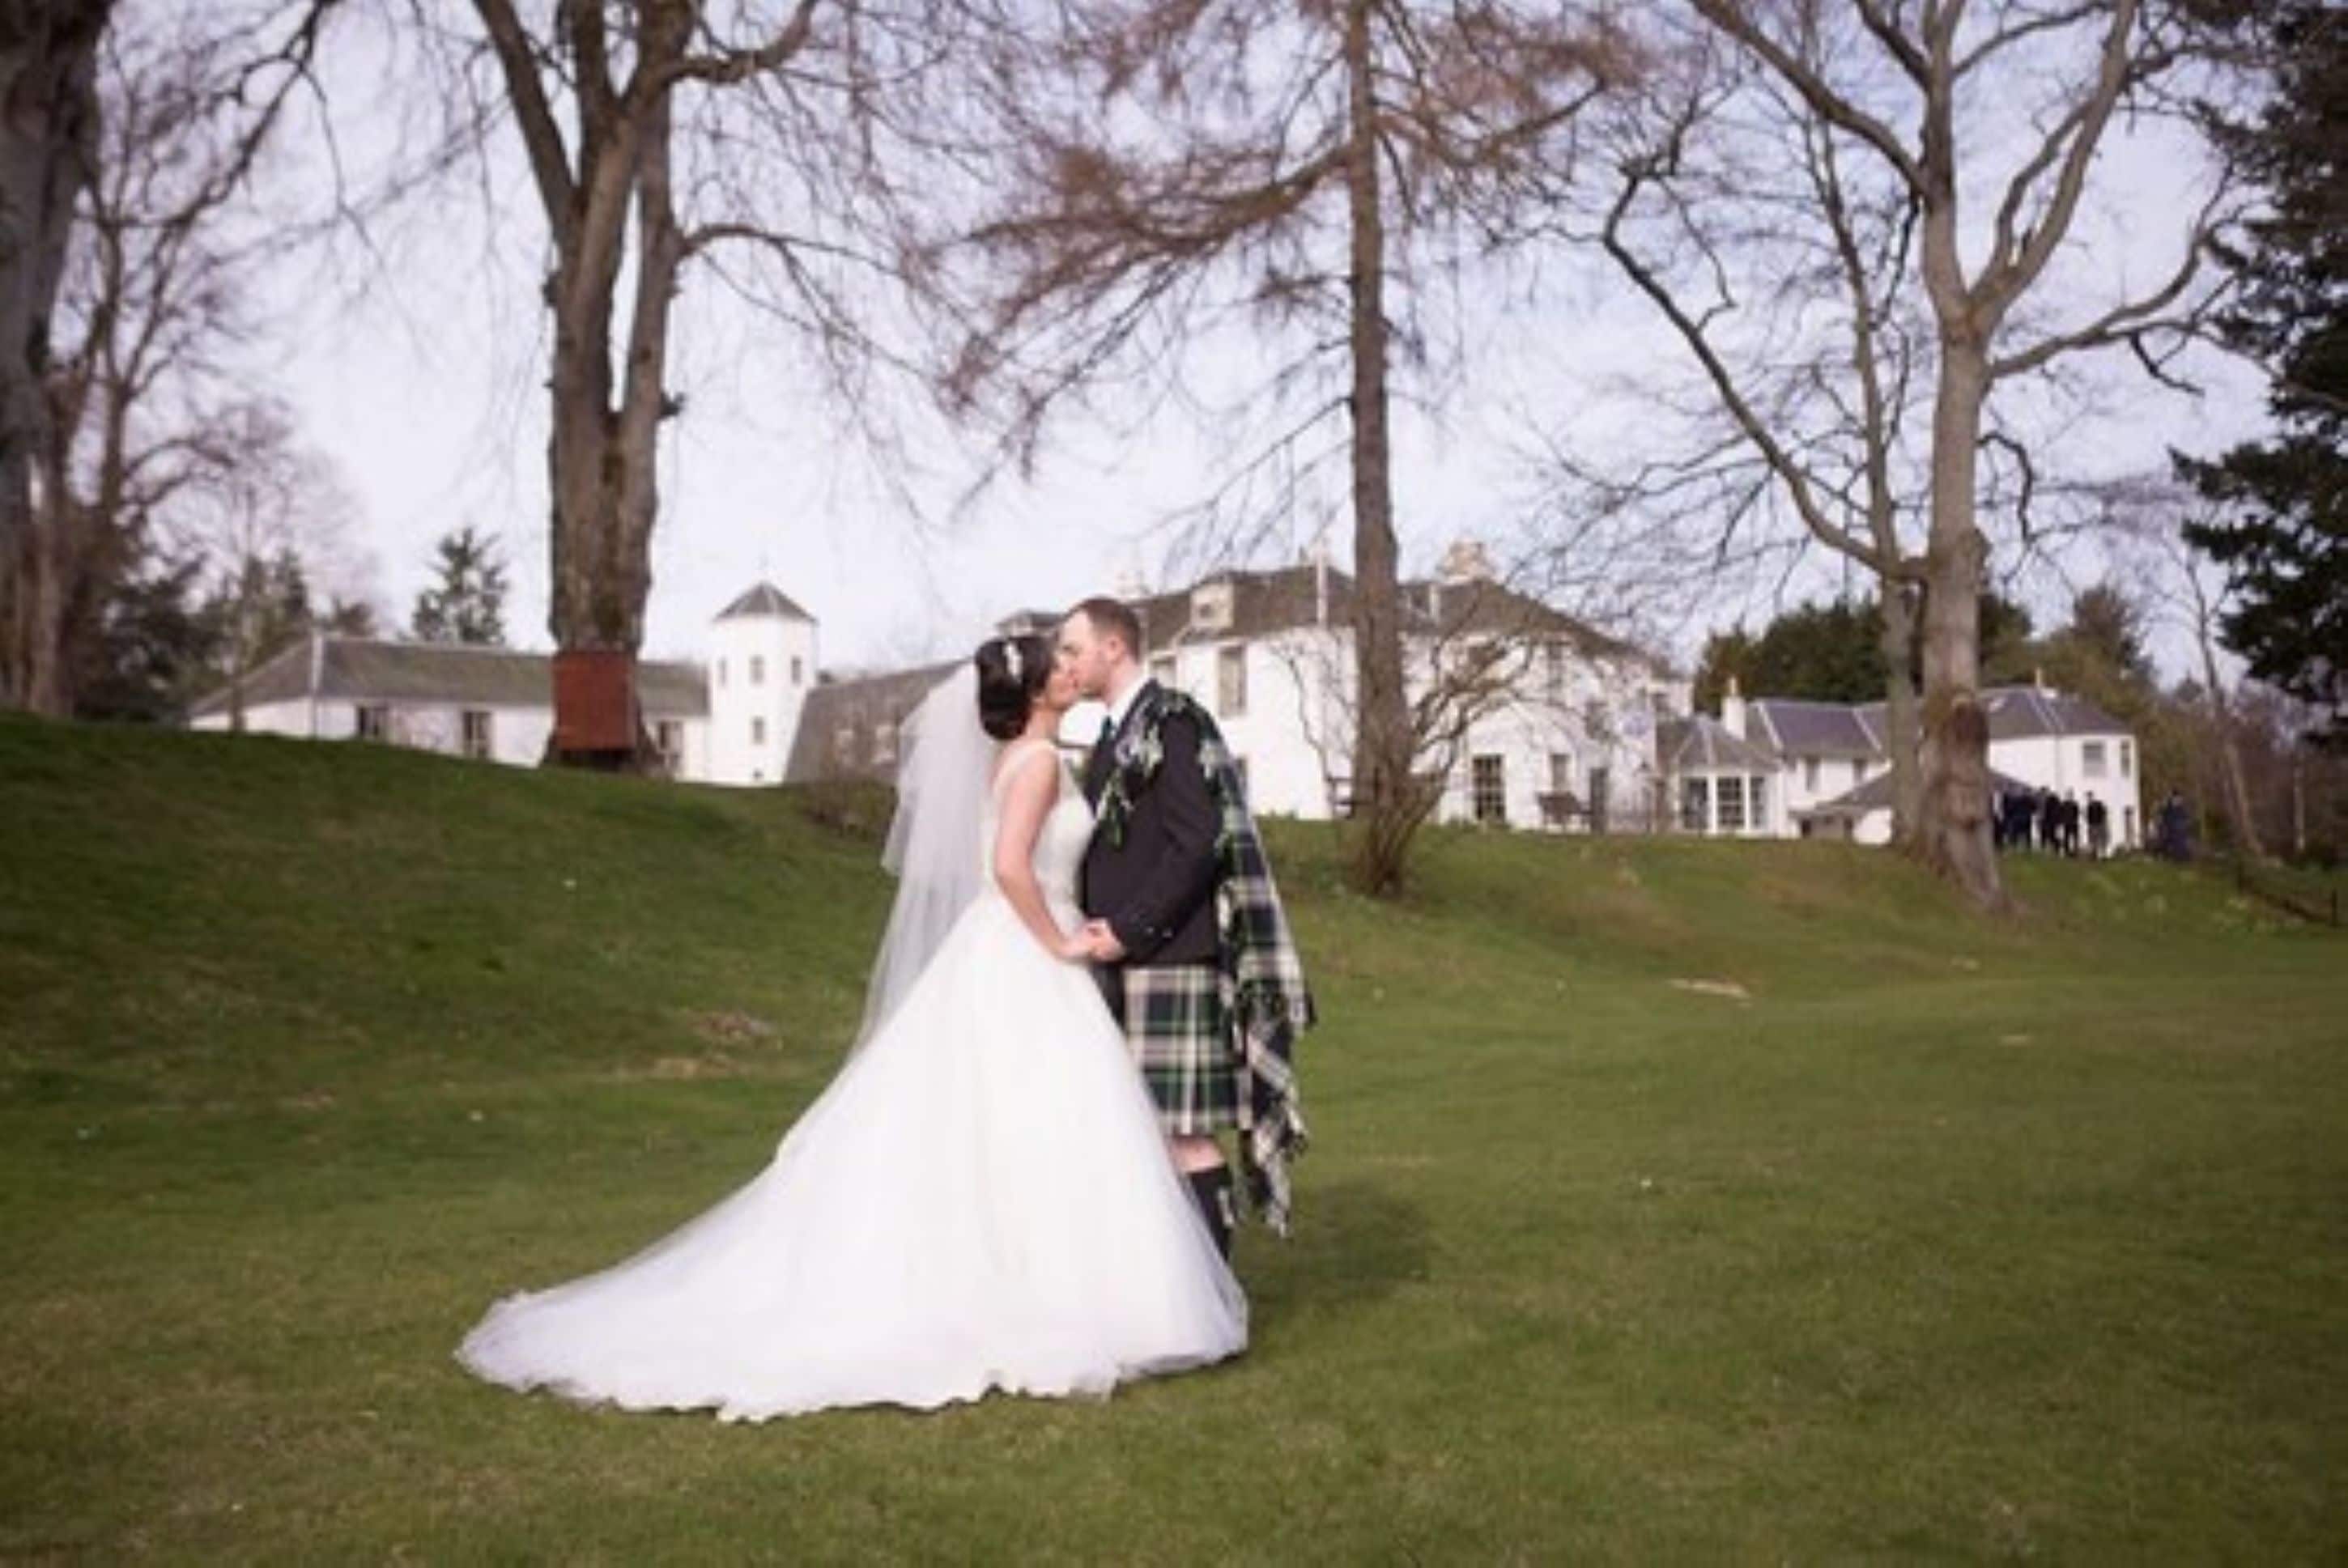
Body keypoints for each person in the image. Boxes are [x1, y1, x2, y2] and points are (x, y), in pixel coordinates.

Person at [454, 635, 1246, 1421]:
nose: (1073, 670)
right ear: (1037, 690)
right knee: (1034, 1119)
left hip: (993, 950)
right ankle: (1056, 1296)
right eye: (1060, 665)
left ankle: (1036, 1282)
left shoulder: (1012, 757)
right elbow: (1009, 866)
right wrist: (1058, 938)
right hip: (1025, 952)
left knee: (1012, 1125)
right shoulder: (1036, 763)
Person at [1057, 597, 1314, 1256]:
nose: (1067, 663)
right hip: (1128, 959)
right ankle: (1178, 1285)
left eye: (1073, 648)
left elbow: (1198, 842)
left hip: (1168, 955)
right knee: (1146, 1130)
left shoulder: (1170, 722)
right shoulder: (1116, 735)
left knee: (1185, 1134)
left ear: (1114, 647)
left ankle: (1216, 1295)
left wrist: (1130, 927)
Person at [2086, 792, 2109, 859]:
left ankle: (2103, 855)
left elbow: (2104, 813)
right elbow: (2089, 817)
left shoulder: (2098, 804)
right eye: (2088, 798)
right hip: (2093, 825)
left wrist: (2102, 822)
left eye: (2089, 797)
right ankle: (2094, 854)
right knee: (2093, 841)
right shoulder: (2089, 806)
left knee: (2100, 840)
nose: (2089, 799)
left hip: (2099, 825)